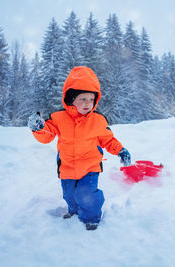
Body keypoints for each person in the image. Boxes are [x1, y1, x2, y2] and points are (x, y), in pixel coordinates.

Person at [27, 66, 131, 231]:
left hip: (90, 167)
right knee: (69, 195)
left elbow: (108, 139)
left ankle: (91, 217)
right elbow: (47, 135)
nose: (87, 104)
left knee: (87, 194)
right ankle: (74, 211)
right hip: (67, 167)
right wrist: (38, 128)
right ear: (71, 98)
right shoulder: (59, 118)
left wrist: (120, 150)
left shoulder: (97, 121)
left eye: (91, 99)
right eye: (83, 99)